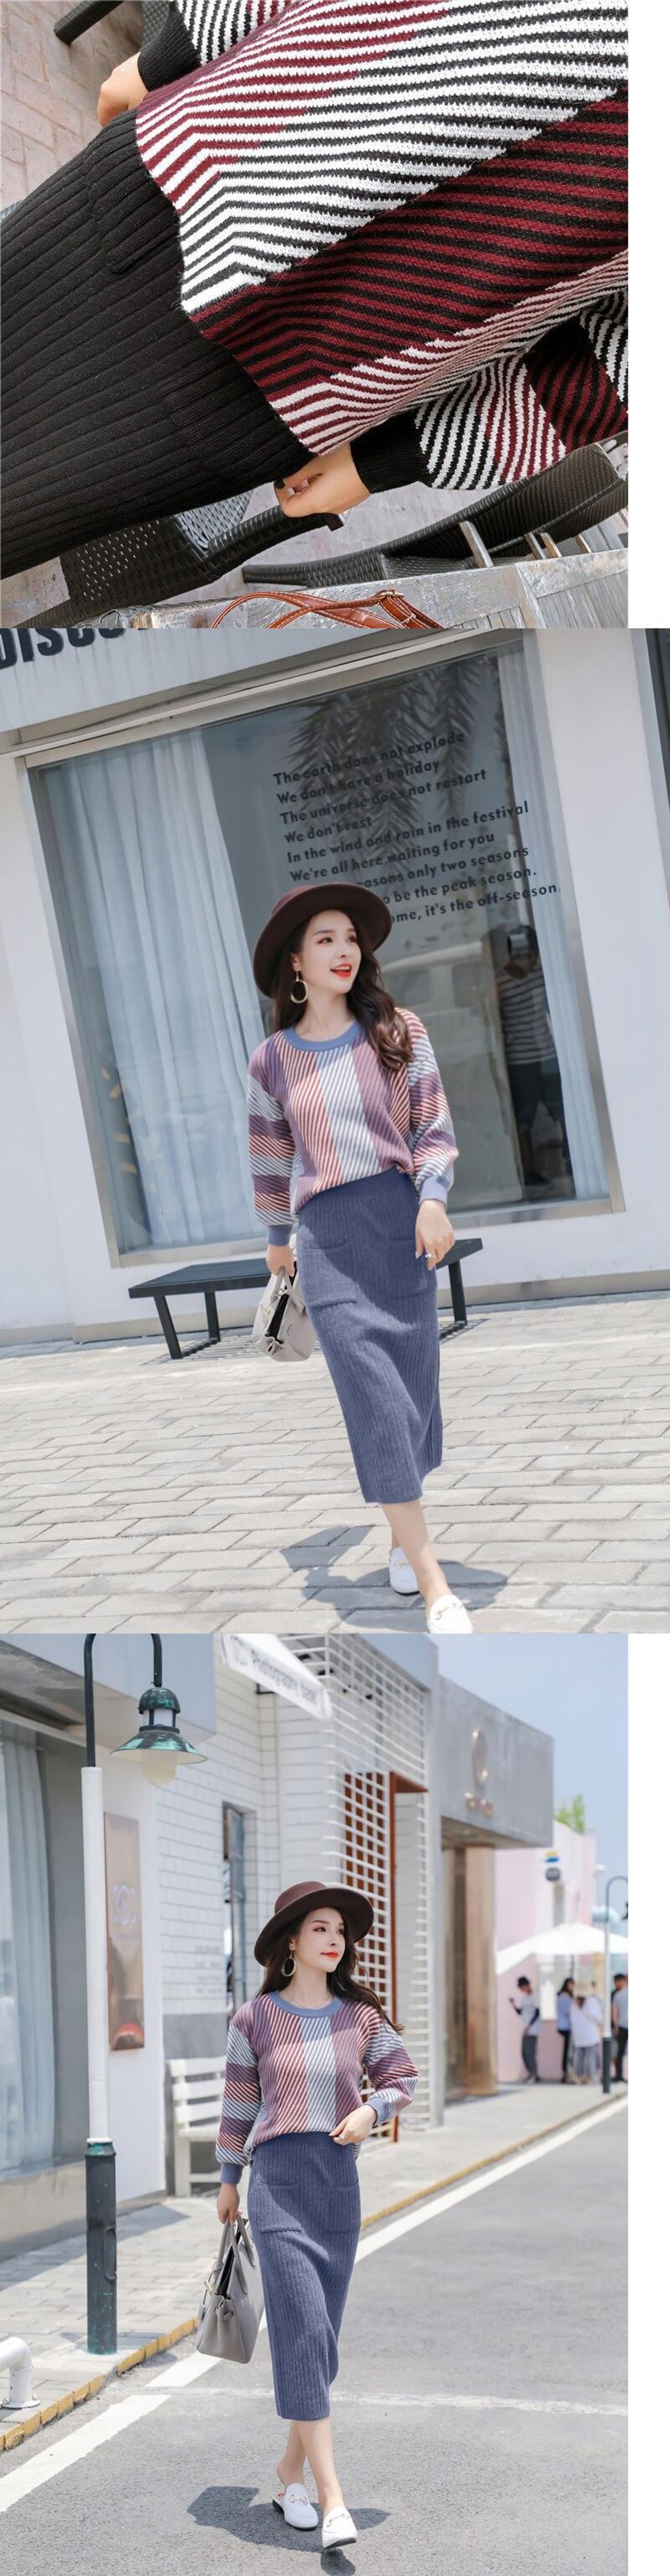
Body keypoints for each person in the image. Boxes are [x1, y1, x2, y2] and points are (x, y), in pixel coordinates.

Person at [1, 2, 628, 585]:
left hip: (284, 378)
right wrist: (182, 46)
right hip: (194, 160)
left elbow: (621, 360)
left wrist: (398, 456)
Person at [247, 880, 472, 1633]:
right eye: (325, 940)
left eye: (350, 938)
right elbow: (270, 1157)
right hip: (328, 1242)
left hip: (399, 1226)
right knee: (375, 1404)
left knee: (411, 1398)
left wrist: (433, 1198)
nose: (344, 951)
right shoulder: (272, 1060)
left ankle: (402, 1541)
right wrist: (277, 1239)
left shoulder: (397, 1031)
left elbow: (432, 1126)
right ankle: (436, 1585)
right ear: (296, 962)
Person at [215, 1877, 417, 2553]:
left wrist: (370, 2111)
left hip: (336, 2186)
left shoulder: (360, 2018)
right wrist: (228, 2179)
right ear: (291, 1942)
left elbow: (402, 2079)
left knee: (319, 2340)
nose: (335, 1940)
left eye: (340, 1931)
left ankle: (288, 2475)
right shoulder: (253, 2018)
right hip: (276, 2185)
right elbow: (239, 2106)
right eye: (321, 1929)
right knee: (301, 2329)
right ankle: (333, 2499)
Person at [510, 1976, 541, 2081]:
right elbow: (520, 2012)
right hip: (525, 2028)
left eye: (522, 1987)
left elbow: (537, 2013)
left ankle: (534, 2074)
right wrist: (513, 2005)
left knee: (530, 2052)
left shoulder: (536, 1996)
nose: (521, 1990)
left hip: (532, 2029)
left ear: (527, 1985)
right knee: (524, 2052)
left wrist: (530, 2026)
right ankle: (531, 2073)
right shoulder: (524, 1997)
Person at [570, 1992, 599, 2083]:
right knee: (590, 2058)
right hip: (590, 2035)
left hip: (579, 2036)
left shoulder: (574, 2004)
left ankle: (579, 2077)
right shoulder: (592, 2002)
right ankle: (590, 2078)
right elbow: (598, 2018)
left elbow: (572, 2020)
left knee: (579, 2059)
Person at [555, 1977, 574, 2082]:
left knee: (567, 2051)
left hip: (563, 2027)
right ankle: (567, 2073)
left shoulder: (561, 1996)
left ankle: (566, 2073)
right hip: (567, 2027)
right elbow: (569, 2012)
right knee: (568, 2052)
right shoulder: (565, 1997)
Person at [583, 1983, 604, 2076]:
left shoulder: (596, 1999)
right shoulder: (590, 2000)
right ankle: (592, 2075)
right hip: (591, 2033)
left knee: (592, 2055)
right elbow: (597, 2017)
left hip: (593, 2032)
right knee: (591, 2055)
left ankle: (593, 2075)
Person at [612, 1973, 628, 2083]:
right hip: (623, 2026)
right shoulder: (619, 1995)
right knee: (620, 2052)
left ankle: (619, 2075)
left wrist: (616, 2026)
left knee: (620, 2052)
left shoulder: (618, 1995)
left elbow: (614, 2012)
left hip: (622, 2026)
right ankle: (619, 2075)